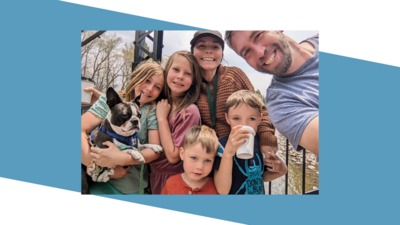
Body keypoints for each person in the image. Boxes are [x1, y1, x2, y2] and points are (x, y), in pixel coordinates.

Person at [225, 31, 319, 156]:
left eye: (258, 35)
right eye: (247, 52)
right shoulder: (281, 104)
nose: (260, 52)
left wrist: (266, 138)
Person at [190, 30, 278, 165]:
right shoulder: (188, 81)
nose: (209, 51)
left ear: (221, 53)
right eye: (201, 46)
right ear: (192, 52)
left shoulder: (234, 75)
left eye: (215, 47)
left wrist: (267, 139)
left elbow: (260, 108)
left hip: (243, 150)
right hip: (207, 158)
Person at [81, 60, 164, 194]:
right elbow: (80, 129)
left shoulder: (152, 110)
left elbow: (155, 151)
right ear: (136, 77)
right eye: (147, 80)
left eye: (157, 87)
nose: (150, 88)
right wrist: (101, 167)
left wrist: (122, 159)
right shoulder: (108, 102)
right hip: (97, 182)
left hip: (131, 184)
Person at [213, 90, 287, 195]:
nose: (244, 124)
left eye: (251, 119)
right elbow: (222, 191)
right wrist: (228, 154)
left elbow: (262, 177)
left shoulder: (260, 144)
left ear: (260, 119)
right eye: (236, 118)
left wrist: (282, 170)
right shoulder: (221, 146)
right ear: (227, 118)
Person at [151, 50, 203, 194]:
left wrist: (162, 119)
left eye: (188, 73)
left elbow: (174, 156)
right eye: (176, 70)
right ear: (167, 72)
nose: (180, 76)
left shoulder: (189, 112)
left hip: (175, 179)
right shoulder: (157, 102)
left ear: (193, 81)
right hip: (152, 175)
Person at [161, 125, 219, 195]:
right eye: (194, 158)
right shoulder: (170, 183)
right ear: (182, 153)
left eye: (207, 160)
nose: (200, 167)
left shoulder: (217, 187)